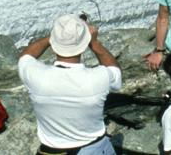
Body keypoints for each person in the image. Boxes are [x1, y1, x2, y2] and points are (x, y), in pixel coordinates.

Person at [18, 14, 122, 155]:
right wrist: (94, 42)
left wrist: (58, 36)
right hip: (92, 149)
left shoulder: (35, 75)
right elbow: (115, 72)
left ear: (54, 43)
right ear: (84, 44)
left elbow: (26, 56)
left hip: (50, 151)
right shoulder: (98, 78)